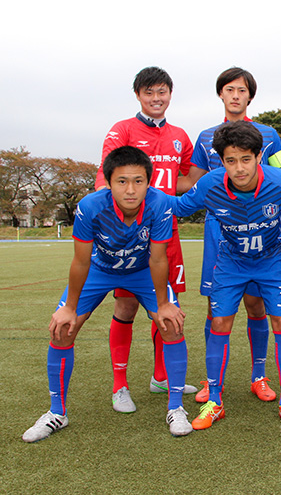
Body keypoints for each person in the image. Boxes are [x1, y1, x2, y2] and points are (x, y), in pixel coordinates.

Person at [171, 120, 281, 431]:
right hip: (231, 263)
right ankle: (215, 400)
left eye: (246, 159)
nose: (239, 168)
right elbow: (178, 206)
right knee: (220, 322)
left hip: (273, 262)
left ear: (258, 156)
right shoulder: (211, 184)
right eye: (230, 160)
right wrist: (135, 196)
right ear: (221, 161)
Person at [23, 146, 192, 442]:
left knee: (171, 324)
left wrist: (164, 305)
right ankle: (56, 412)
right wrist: (69, 308)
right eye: (122, 181)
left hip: (141, 271)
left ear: (148, 182)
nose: (130, 189)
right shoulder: (90, 206)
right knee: (63, 329)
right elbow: (81, 261)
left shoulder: (161, 203)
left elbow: (158, 258)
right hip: (100, 270)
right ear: (108, 182)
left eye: (138, 181)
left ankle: (176, 408)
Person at [183, 67, 281, 405]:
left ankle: (259, 376)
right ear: (221, 94)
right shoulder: (205, 138)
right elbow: (192, 182)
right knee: (216, 308)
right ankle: (211, 381)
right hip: (219, 231)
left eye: (241, 90)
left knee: (258, 304)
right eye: (229, 89)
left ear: (249, 96)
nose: (235, 95)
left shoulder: (268, 135)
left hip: (261, 229)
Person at [94, 67, 197, 413]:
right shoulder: (122, 130)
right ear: (138, 95)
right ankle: (119, 385)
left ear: (170, 95)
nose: (156, 99)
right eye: (149, 92)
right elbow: (103, 180)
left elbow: (184, 181)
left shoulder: (181, 135)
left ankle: (161, 377)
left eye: (162, 92)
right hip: (130, 236)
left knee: (168, 307)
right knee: (126, 305)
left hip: (167, 234)